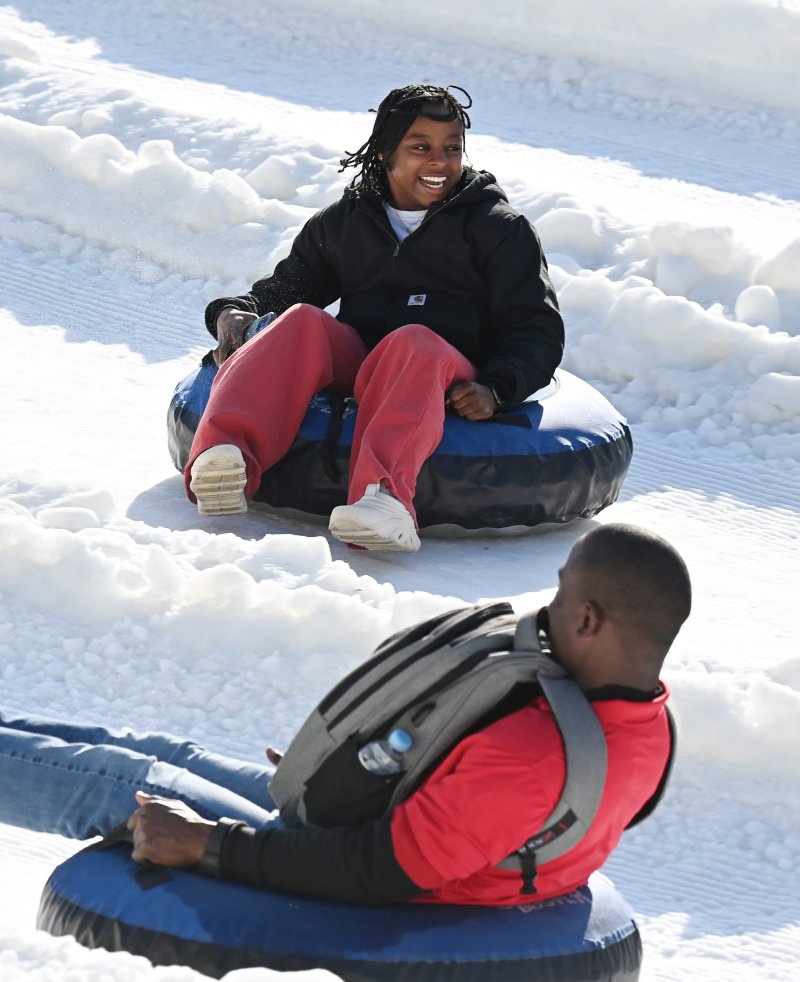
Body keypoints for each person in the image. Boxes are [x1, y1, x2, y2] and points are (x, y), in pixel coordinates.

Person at [0, 523, 690, 906]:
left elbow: (380, 871)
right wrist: (352, 774)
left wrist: (203, 843)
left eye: (561, 593)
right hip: (389, 827)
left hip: (367, 879)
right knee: (166, 751)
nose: (546, 606)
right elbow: (507, 818)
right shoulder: (650, 722)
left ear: (590, 620)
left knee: (121, 785)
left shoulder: (537, 752)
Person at [186, 83, 564, 552]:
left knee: (414, 341)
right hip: (366, 365)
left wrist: (498, 388)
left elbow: (537, 329)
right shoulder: (346, 222)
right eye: (421, 148)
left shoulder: (498, 230)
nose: (440, 163)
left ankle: (384, 498)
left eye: (452, 149)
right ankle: (226, 457)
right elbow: (284, 295)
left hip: (446, 374)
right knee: (302, 320)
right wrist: (231, 315)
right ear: (385, 153)